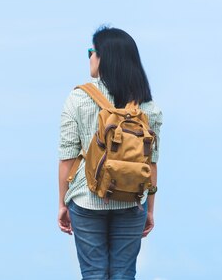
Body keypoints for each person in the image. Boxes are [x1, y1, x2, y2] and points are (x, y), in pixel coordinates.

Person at [57, 26, 163, 280]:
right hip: (131, 198)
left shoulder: (78, 98)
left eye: (92, 51)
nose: (90, 57)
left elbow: (67, 158)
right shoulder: (148, 106)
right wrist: (148, 209)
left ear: (104, 57)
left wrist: (63, 203)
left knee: (94, 273)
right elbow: (151, 163)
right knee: (124, 273)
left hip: (86, 198)